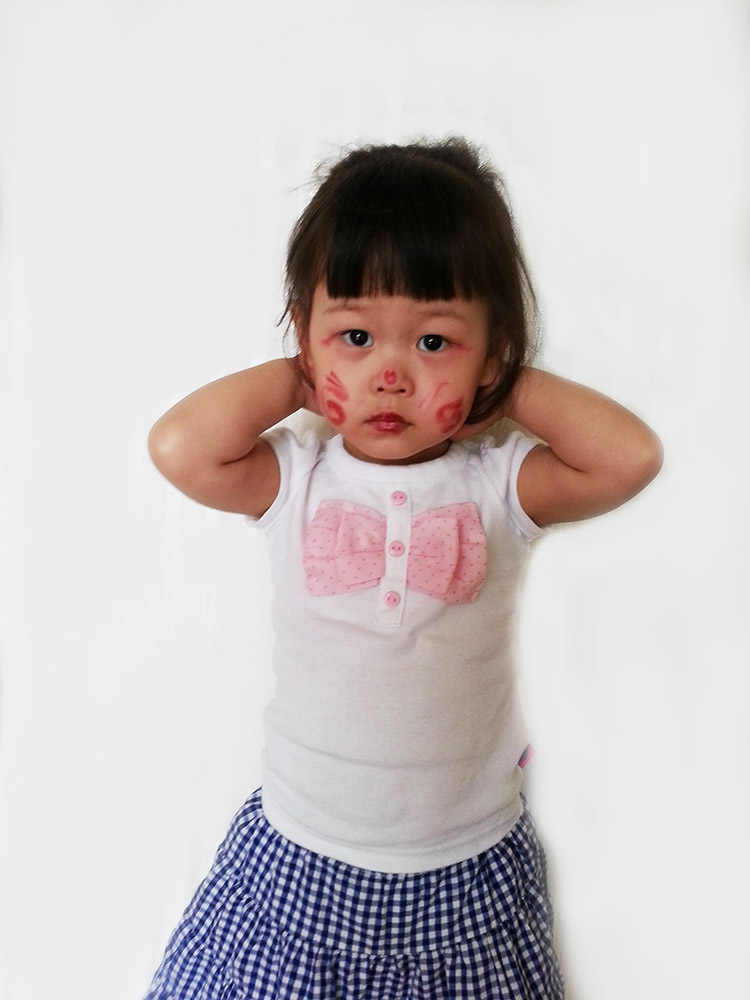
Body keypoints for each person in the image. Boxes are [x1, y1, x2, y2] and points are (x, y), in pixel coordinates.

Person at [144, 139, 662, 1000]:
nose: (389, 373)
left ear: (491, 353)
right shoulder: (296, 480)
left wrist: (500, 388)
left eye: (433, 341)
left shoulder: (499, 484)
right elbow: (178, 447)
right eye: (355, 337)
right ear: (307, 341)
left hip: (465, 869)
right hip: (302, 858)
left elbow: (628, 457)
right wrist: (300, 379)